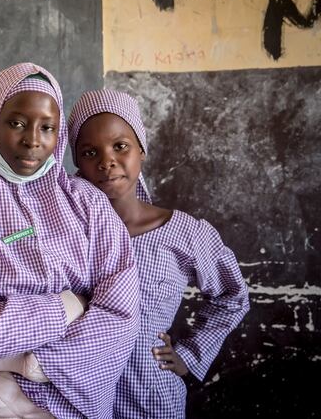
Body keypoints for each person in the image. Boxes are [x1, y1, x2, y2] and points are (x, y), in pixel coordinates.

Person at [0, 64, 140, 418]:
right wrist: (64, 308)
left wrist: (27, 360)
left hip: (76, 400)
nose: (32, 140)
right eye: (17, 123)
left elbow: (120, 311)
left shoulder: (87, 203)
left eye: (47, 127)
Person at [67, 89, 250, 418]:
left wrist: (190, 355)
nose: (106, 161)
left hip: (149, 399)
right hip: (77, 399)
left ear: (142, 150)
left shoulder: (183, 233)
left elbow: (232, 295)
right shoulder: (68, 233)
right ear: (78, 164)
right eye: (90, 152)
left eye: (120, 146)